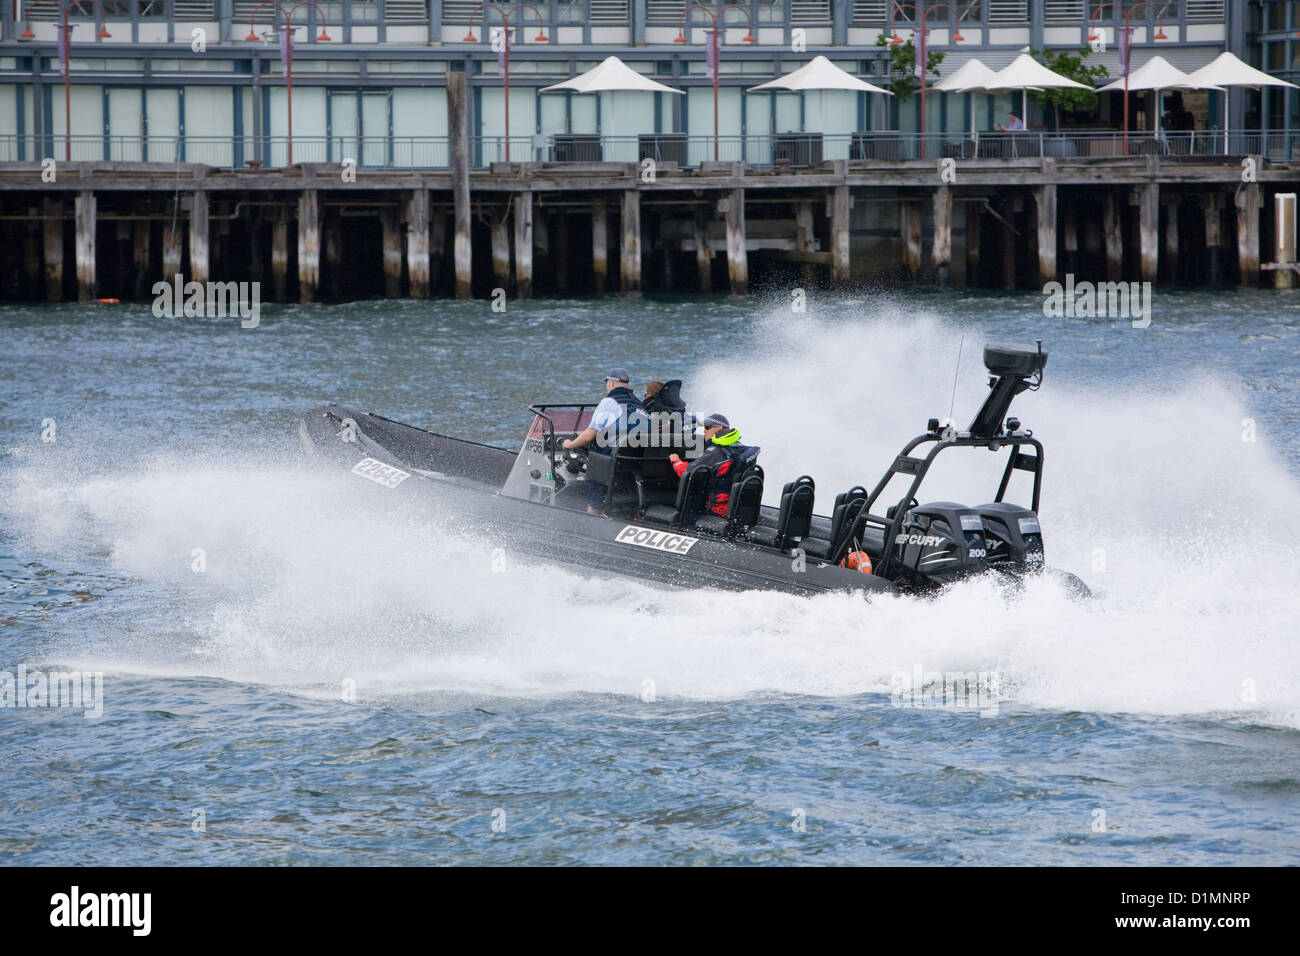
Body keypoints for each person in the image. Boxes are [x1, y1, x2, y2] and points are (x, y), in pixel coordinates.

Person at [563, 368, 646, 515]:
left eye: (607, 383)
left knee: (596, 469)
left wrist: (569, 444)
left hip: (609, 461)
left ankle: (592, 515)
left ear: (612, 384)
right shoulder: (640, 405)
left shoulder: (609, 402)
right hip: (633, 462)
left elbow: (589, 435)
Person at [667, 413, 758, 519]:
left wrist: (676, 460)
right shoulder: (738, 447)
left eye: (707, 427)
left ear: (719, 428)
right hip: (736, 507)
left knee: (685, 515)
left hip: (717, 510)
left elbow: (687, 471)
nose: (704, 431)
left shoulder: (716, 451)